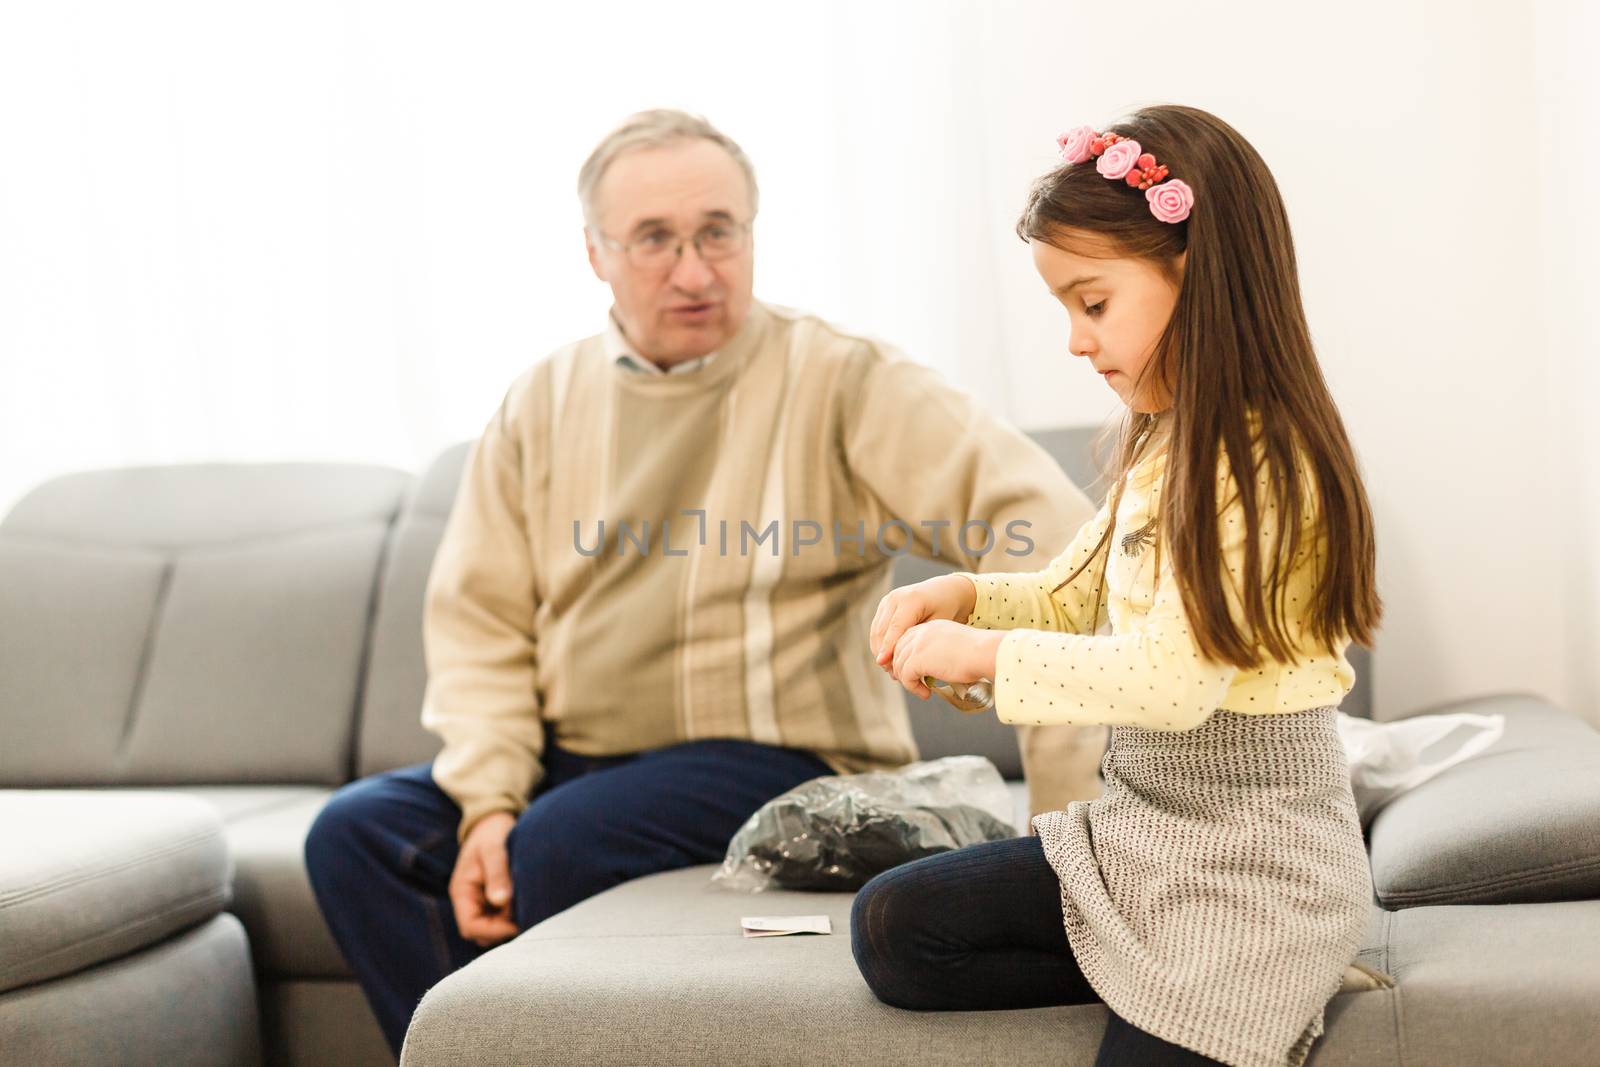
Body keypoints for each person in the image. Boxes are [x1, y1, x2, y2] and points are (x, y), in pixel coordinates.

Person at [303, 108, 1108, 1058]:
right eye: (655, 240)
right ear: (596, 254)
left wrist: (1068, 815)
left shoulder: (845, 380)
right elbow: (482, 623)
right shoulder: (542, 402)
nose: (695, 269)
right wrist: (487, 799)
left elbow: (1055, 540)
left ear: (751, 233)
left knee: (560, 842)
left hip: (782, 758)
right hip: (580, 763)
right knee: (357, 835)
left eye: (719, 232)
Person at [853, 104, 1383, 1067]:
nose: (1075, 341)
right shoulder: (1165, 442)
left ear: (1202, 278)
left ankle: (1256, 963)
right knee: (895, 926)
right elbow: (1069, 598)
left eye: (1093, 304)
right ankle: (1137, 955)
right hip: (1140, 829)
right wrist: (964, 596)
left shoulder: (1267, 468)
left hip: (1255, 856)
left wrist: (989, 655)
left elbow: (1174, 684)